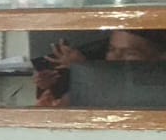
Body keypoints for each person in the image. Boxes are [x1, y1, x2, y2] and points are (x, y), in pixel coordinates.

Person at [35, 29, 166, 109]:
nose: (115, 58)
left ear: (160, 58)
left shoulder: (155, 91)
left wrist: (87, 69)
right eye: (111, 50)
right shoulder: (92, 86)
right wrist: (49, 104)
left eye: (129, 53)